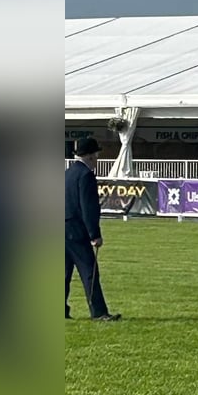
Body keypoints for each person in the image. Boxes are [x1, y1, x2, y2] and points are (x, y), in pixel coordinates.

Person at [65, 137, 121, 321]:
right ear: (90, 155)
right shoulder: (85, 175)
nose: (97, 157)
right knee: (89, 271)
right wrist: (94, 234)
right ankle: (98, 312)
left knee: (63, 274)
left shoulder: (66, 173)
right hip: (76, 230)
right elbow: (88, 207)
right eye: (96, 154)